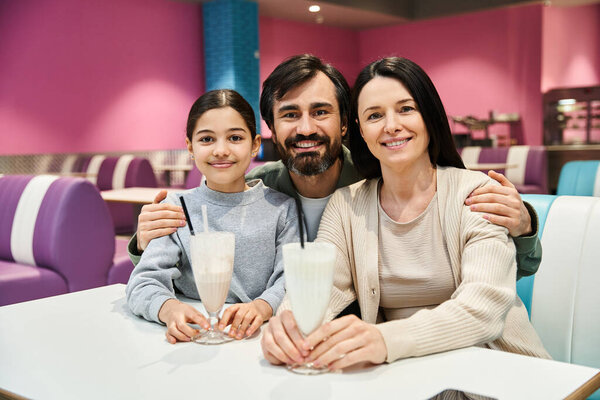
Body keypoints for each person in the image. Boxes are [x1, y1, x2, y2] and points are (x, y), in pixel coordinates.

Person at [127, 55, 542, 282]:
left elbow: (516, 268)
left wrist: (523, 226)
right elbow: (196, 244)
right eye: (290, 115)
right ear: (270, 129)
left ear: (346, 123)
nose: (306, 128)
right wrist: (144, 239)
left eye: (321, 112)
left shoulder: (379, 180)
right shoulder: (257, 188)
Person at [260, 57, 550, 371]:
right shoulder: (346, 204)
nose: (391, 126)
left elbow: (483, 309)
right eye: (374, 115)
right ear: (359, 129)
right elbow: (324, 287)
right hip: (411, 375)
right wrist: (288, 324)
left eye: (406, 109)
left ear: (430, 115)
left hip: (504, 374)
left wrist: (383, 340)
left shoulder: (476, 194)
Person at [126, 89, 299, 343]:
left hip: (257, 340)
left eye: (235, 138)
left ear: (255, 145)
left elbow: (291, 278)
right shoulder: (176, 208)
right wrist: (168, 308)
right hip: (193, 339)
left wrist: (262, 306)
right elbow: (143, 281)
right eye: (207, 139)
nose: (220, 150)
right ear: (190, 147)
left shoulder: (281, 209)